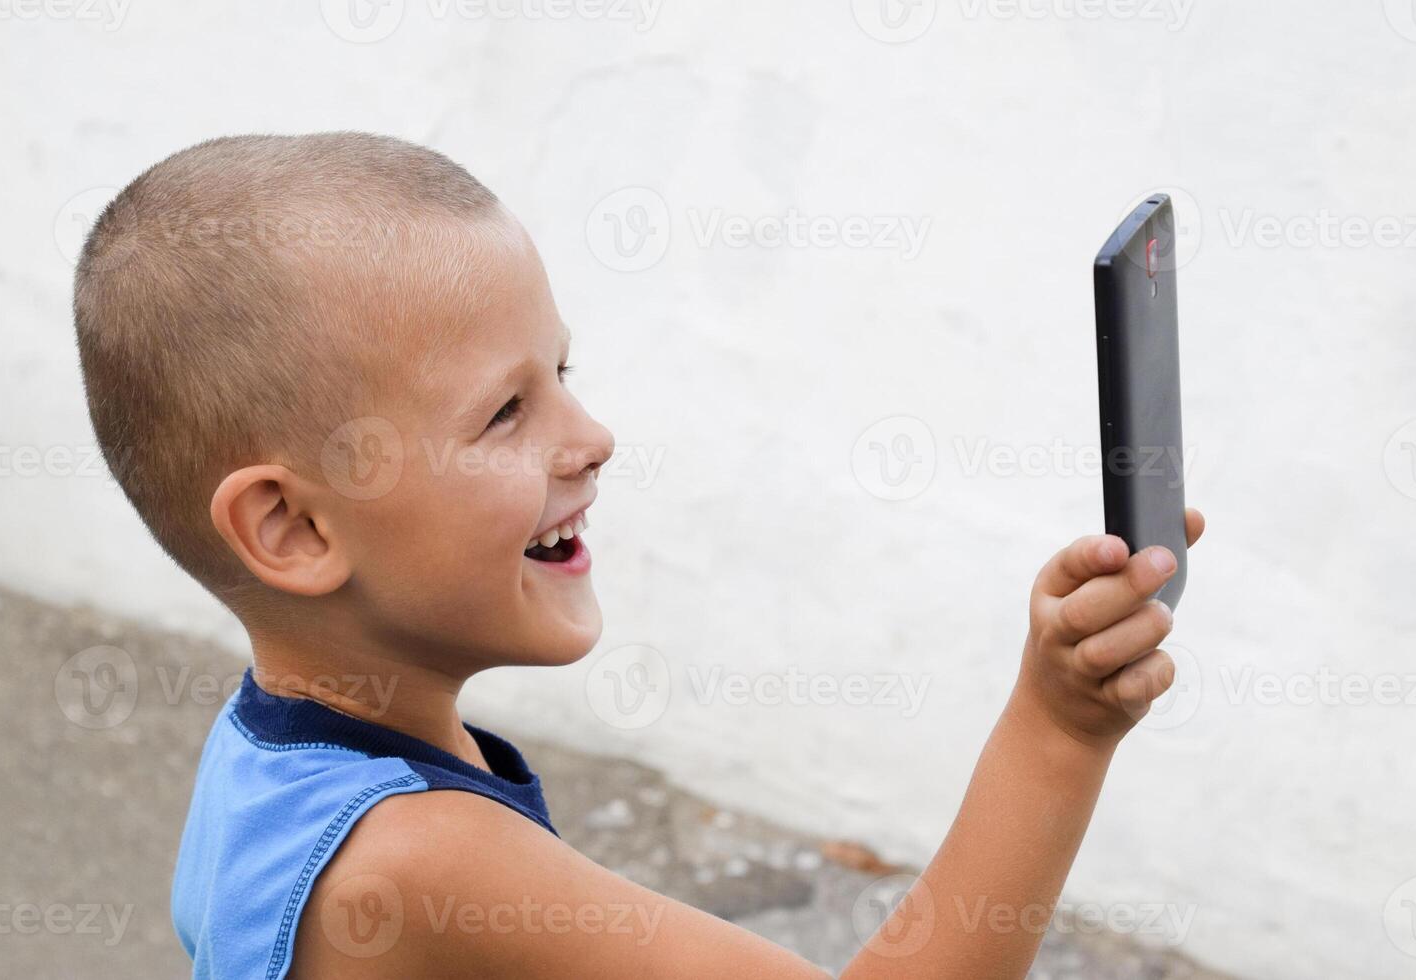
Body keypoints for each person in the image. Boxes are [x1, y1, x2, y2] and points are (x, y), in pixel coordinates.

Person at [72, 131, 1205, 979]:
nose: (592, 435)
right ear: (295, 528)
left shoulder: (262, 761)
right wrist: (1059, 728)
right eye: (504, 412)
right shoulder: (413, 857)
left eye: (559, 374)